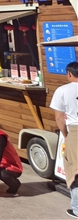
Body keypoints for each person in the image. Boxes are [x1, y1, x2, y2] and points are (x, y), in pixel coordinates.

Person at [50, 61, 78, 216]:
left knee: (75, 171)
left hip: (75, 131)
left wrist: (66, 135)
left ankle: (77, 209)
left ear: (69, 73)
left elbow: (59, 118)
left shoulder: (62, 90)